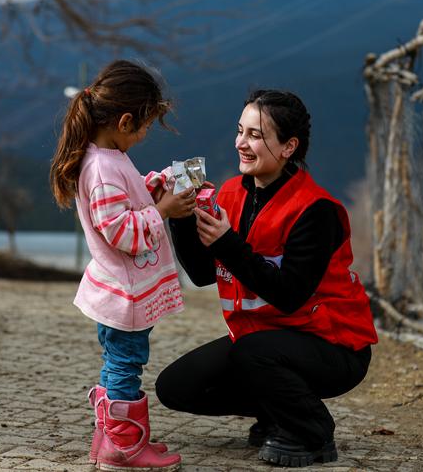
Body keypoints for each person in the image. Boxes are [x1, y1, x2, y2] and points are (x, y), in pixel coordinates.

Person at [156, 89, 378, 468]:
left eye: (256, 135)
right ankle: (280, 411)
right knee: (176, 387)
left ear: (289, 146)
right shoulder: (229, 194)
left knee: (252, 352)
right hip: (262, 343)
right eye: (240, 131)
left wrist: (227, 244)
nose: (242, 143)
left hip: (334, 347)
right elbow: (201, 274)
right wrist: (179, 216)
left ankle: (311, 431)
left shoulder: (316, 210)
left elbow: (289, 294)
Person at [50, 59, 196, 471]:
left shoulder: (107, 158)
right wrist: (163, 210)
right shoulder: (103, 167)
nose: (146, 134)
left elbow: (120, 206)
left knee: (120, 363)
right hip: (123, 294)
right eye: (146, 125)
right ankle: (124, 447)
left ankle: (112, 438)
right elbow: (121, 232)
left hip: (120, 290)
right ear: (125, 120)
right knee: (126, 365)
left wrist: (153, 188)